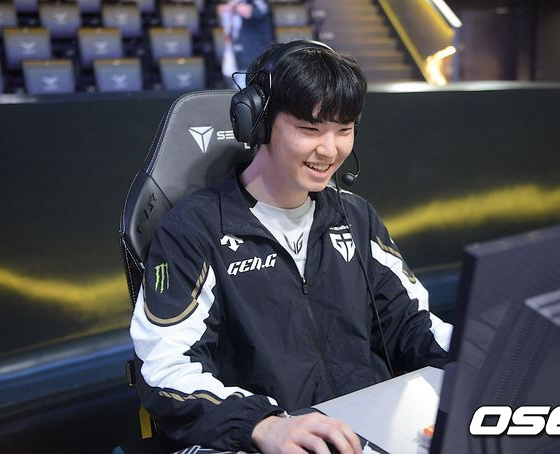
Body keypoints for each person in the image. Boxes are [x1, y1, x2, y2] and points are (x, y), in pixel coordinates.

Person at [130, 40, 453, 453]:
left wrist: (483, 354)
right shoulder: (194, 230)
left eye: (344, 129)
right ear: (258, 123)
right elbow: (165, 366)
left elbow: (412, 325)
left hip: (361, 434)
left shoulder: (356, 217)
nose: (330, 150)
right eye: (309, 129)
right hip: (259, 439)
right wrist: (264, 425)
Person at [217, 0, 273, 88]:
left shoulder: (257, 3)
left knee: (250, 92)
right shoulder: (237, 4)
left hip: (255, 61)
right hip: (238, 59)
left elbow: (247, 11)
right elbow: (221, 10)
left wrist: (233, 5)